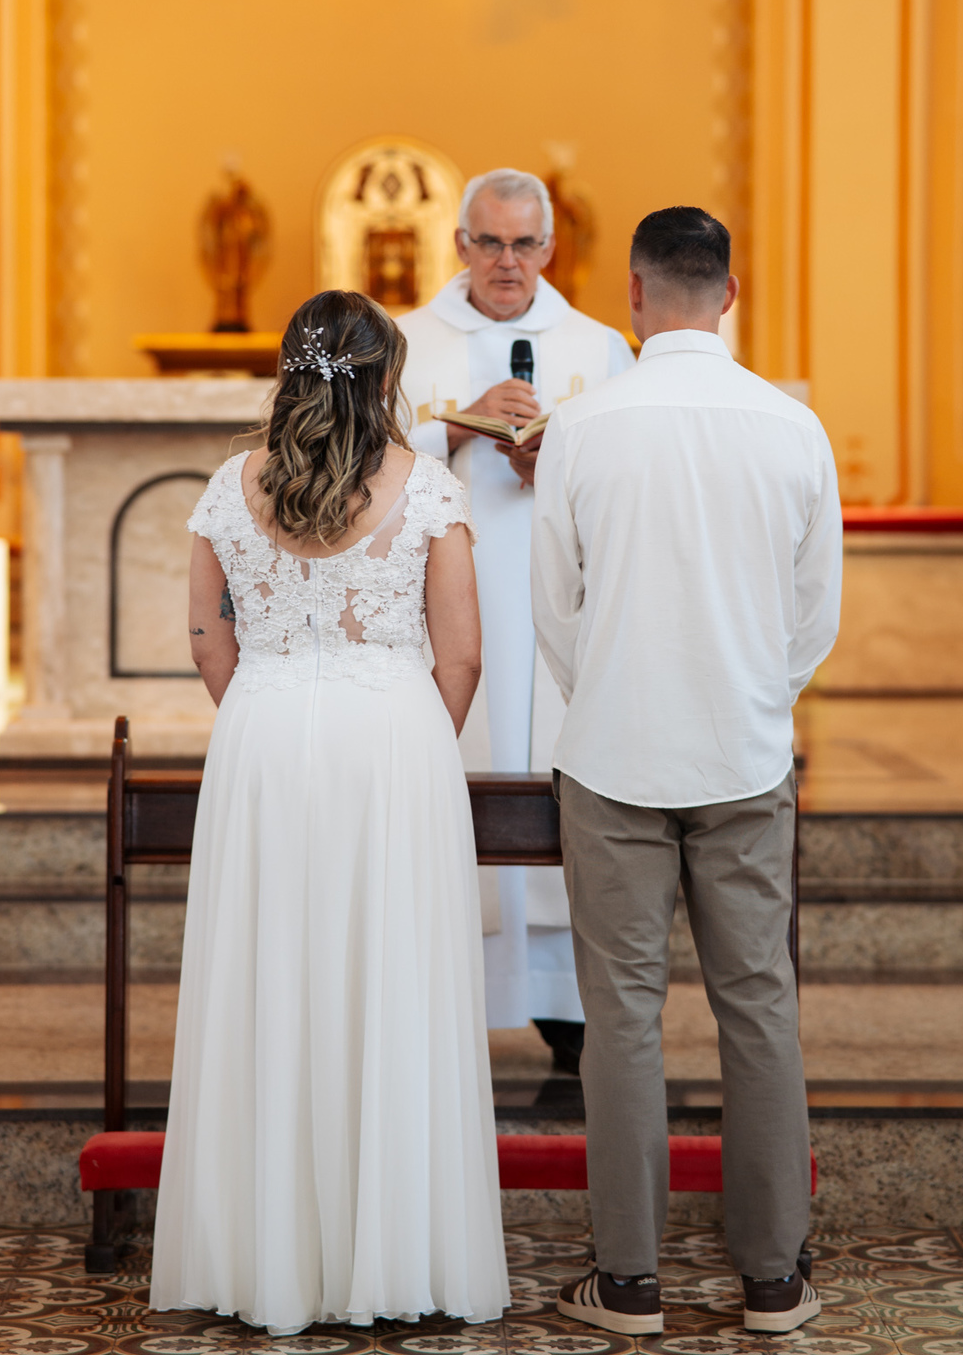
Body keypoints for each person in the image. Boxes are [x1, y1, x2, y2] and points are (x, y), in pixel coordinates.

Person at [150, 291, 510, 1335]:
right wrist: (403, 731)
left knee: (267, 974)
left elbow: (207, 642)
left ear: (290, 371)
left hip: (260, 739)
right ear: (387, 377)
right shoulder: (428, 486)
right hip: (392, 738)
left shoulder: (231, 485)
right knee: (386, 975)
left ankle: (266, 1256)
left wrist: (267, 706)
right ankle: (390, 1252)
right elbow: (465, 655)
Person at [530, 207, 842, 1337]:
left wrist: (611, 689)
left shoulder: (583, 428)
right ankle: (773, 1283)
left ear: (632, 294)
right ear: (731, 290)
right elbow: (816, 615)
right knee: (759, 1006)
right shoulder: (791, 427)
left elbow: (553, 609)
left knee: (621, 1016)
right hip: (746, 753)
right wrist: (758, 700)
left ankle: (627, 1286)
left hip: (612, 754)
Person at [400, 170, 633, 1070]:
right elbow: (357, 463)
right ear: (458, 244)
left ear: (550, 247)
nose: (508, 262)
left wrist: (559, 465)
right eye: (490, 242)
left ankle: (566, 1012)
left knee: (557, 775)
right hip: (434, 610)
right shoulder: (406, 343)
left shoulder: (601, 346)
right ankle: (443, 1001)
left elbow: (630, 473)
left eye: (525, 244)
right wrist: (452, 435)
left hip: (557, 611)